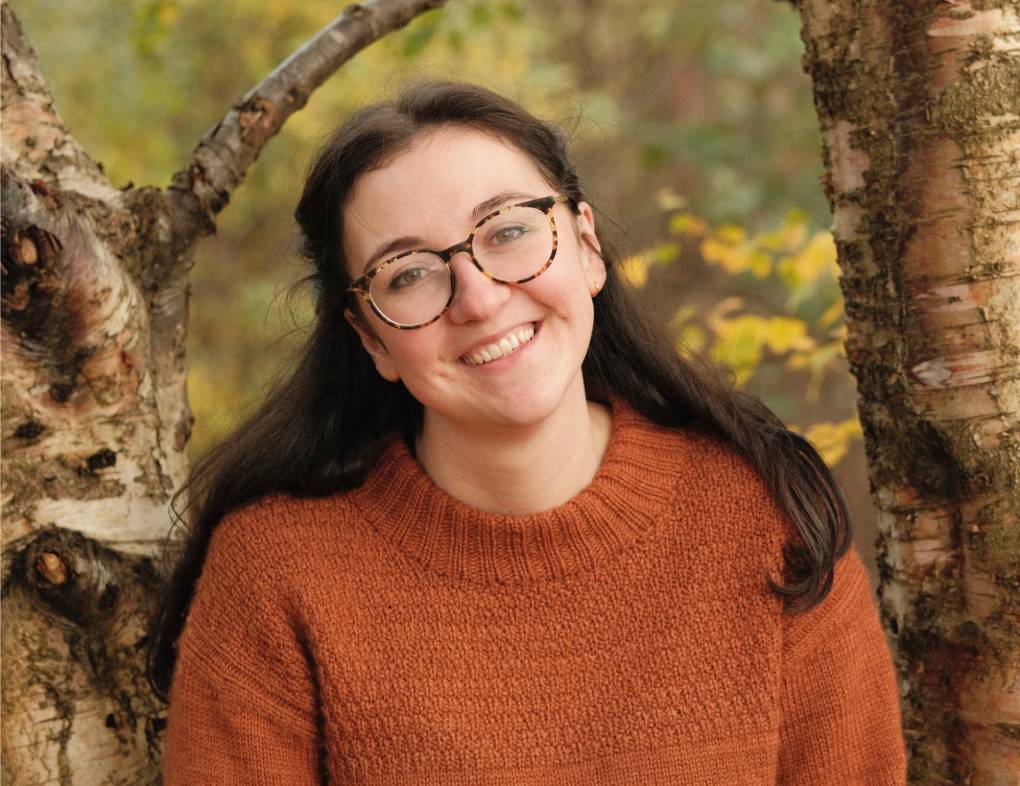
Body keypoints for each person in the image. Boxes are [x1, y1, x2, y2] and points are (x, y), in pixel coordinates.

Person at [149, 80, 907, 785]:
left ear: (586, 246)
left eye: (508, 231)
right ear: (371, 338)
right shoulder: (277, 573)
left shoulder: (764, 515)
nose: (479, 299)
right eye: (408, 273)